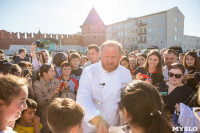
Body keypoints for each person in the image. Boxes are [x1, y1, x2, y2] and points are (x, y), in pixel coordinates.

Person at [76, 40, 132, 133]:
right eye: (106, 56)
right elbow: (83, 99)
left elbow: (129, 99)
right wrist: (99, 122)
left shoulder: (126, 73)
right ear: (100, 55)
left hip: (115, 125)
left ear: (120, 57)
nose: (110, 61)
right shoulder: (89, 71)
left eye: (113, 57)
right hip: (92, 125)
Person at [33, 63, 67, 133]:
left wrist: (66, 89)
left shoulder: (56, 81)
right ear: (44, 73)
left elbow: (62, 93)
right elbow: (39, 103)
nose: (54, 73)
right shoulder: (37, 85)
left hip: (57, 116)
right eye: (52, 71)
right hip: (45, 118)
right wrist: (52, 94)